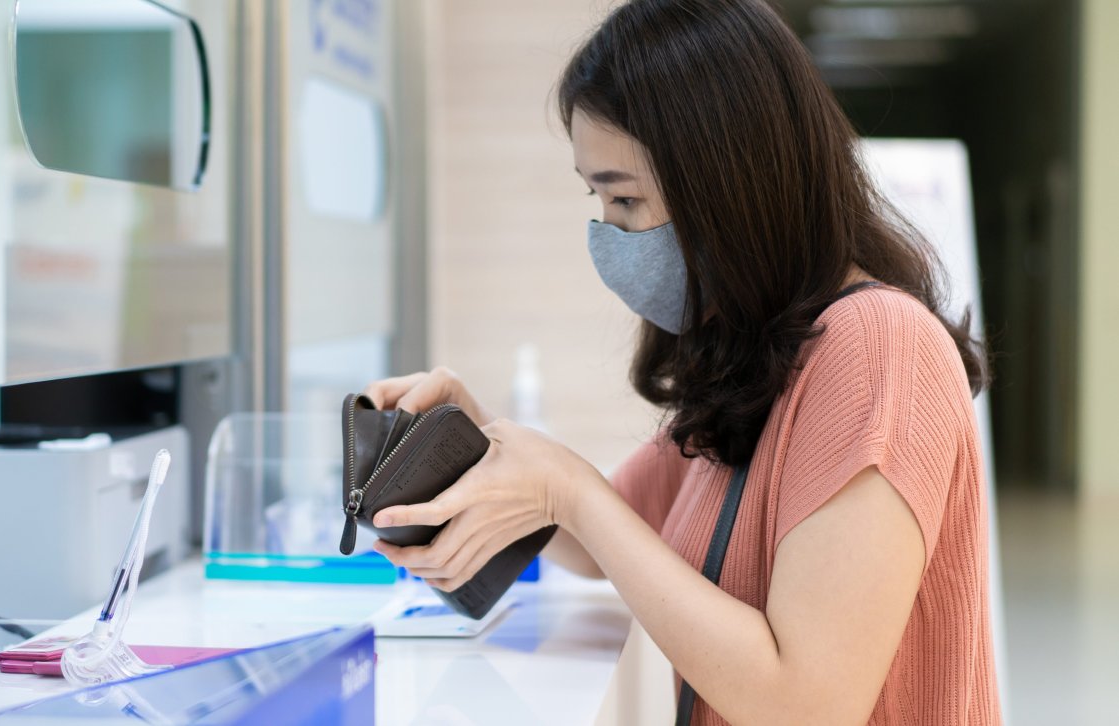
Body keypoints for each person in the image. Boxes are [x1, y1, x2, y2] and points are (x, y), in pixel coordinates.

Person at [364, 0, 1001, 723]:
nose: (608, 234)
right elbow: (608, 540)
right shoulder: (760, 356)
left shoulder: (879, 348)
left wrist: (570, 489)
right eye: (597, 197)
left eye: (626, 199)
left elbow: (807, 704)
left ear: (726, 183)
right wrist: (478, 441)